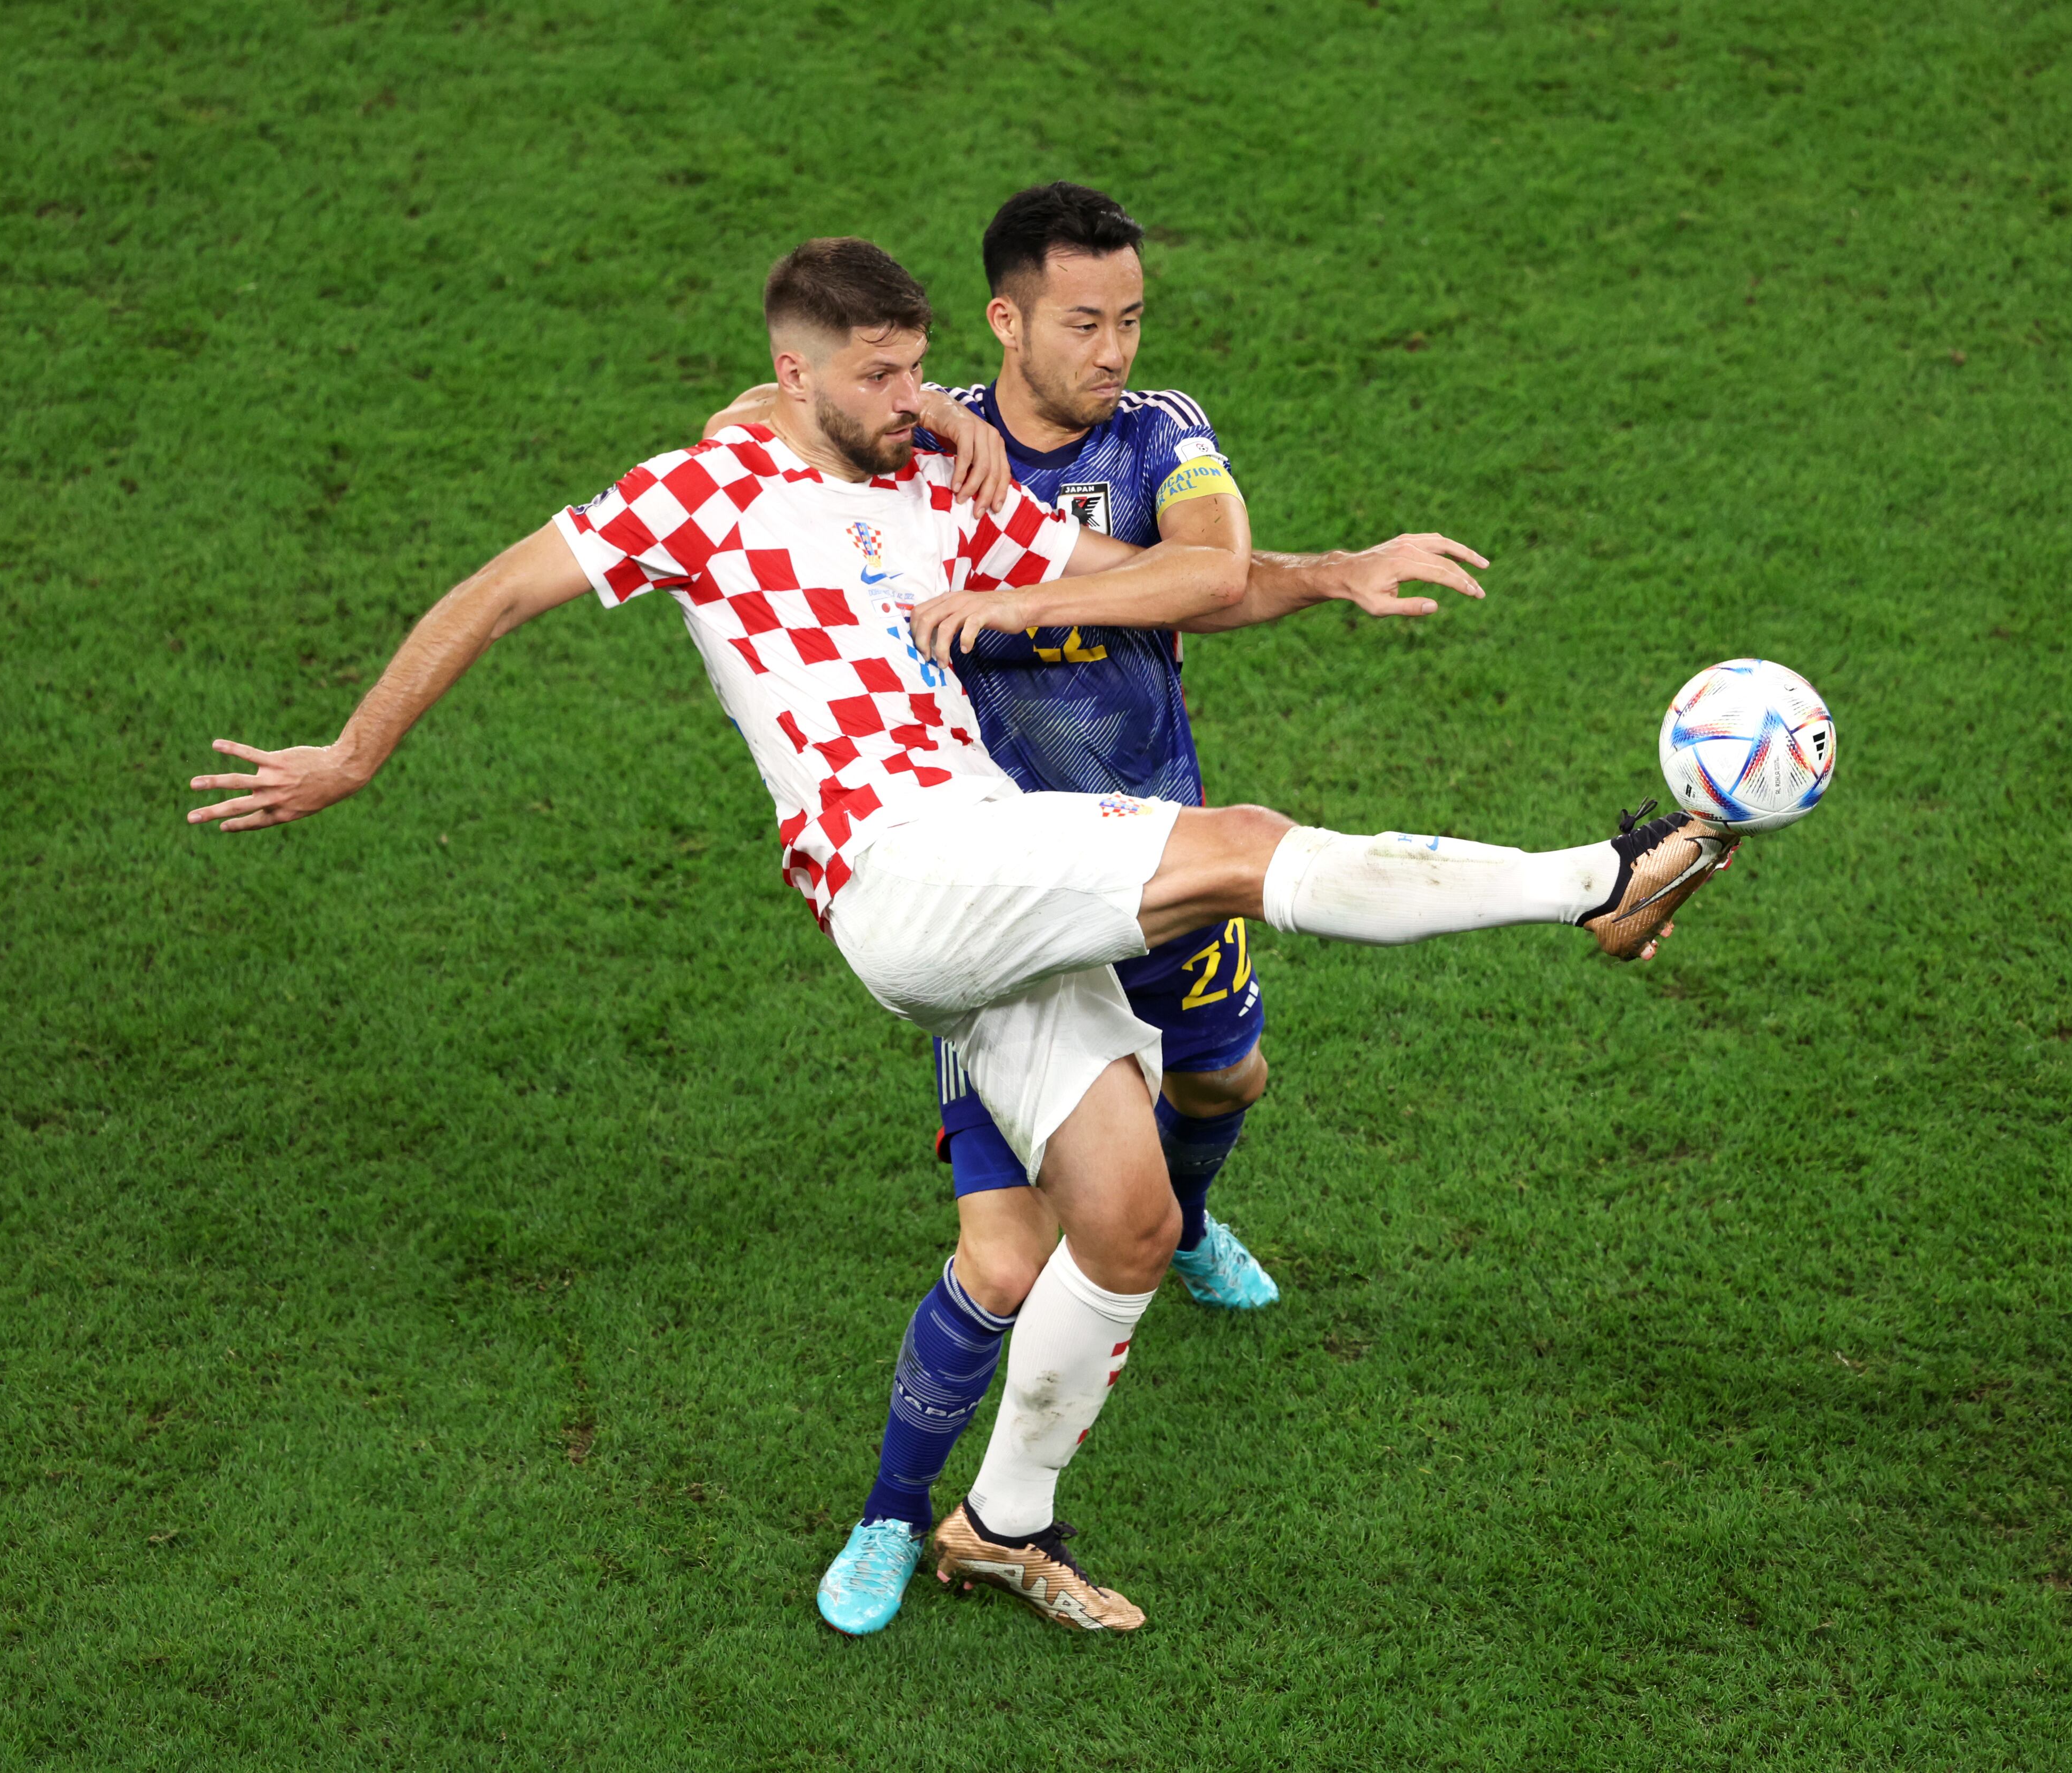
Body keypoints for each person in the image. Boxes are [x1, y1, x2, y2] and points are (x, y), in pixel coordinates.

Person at [187, 236, 1734, 1637]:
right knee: (1247, 852)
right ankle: (1595, 876)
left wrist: (1327, 574)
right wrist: (355, 751)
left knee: (1122, 1221)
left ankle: (999, 1526)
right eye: (877, 373)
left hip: (992, 862)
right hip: (902, 872)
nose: (913, 396)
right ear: (793, 370)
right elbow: (496, 594)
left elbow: (1154, 589)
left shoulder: (939, 493)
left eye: (918, 367)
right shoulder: (702, 492)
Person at [705, 185, 1496, 1637]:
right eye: (1086, 321)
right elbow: (756, 441)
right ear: (1005, 320)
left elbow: (1206, 575)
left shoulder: (1157, 435)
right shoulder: (922, 441)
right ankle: (895, 1516)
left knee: (1224, 1078)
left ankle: (1180, 1228)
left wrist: (1328, 575)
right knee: (1005, 1258)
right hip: (1000, 899)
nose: (1116, 348)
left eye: (1130, 317)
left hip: (1161, 859)